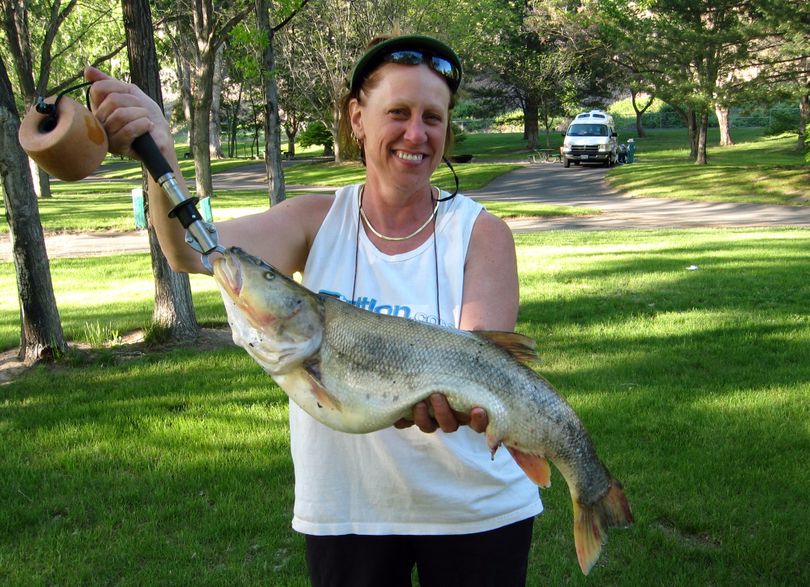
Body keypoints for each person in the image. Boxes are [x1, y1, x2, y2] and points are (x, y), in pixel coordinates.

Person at [86, 34, 542, 586]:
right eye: (397, 112)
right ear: (357, 118)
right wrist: (160, 149)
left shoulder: (482, 234)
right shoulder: (312, 220)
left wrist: (446, 402)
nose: (416, 134)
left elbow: (483, 369)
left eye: (433, 117)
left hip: (478, 515)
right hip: (346, 514)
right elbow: (190, 250)